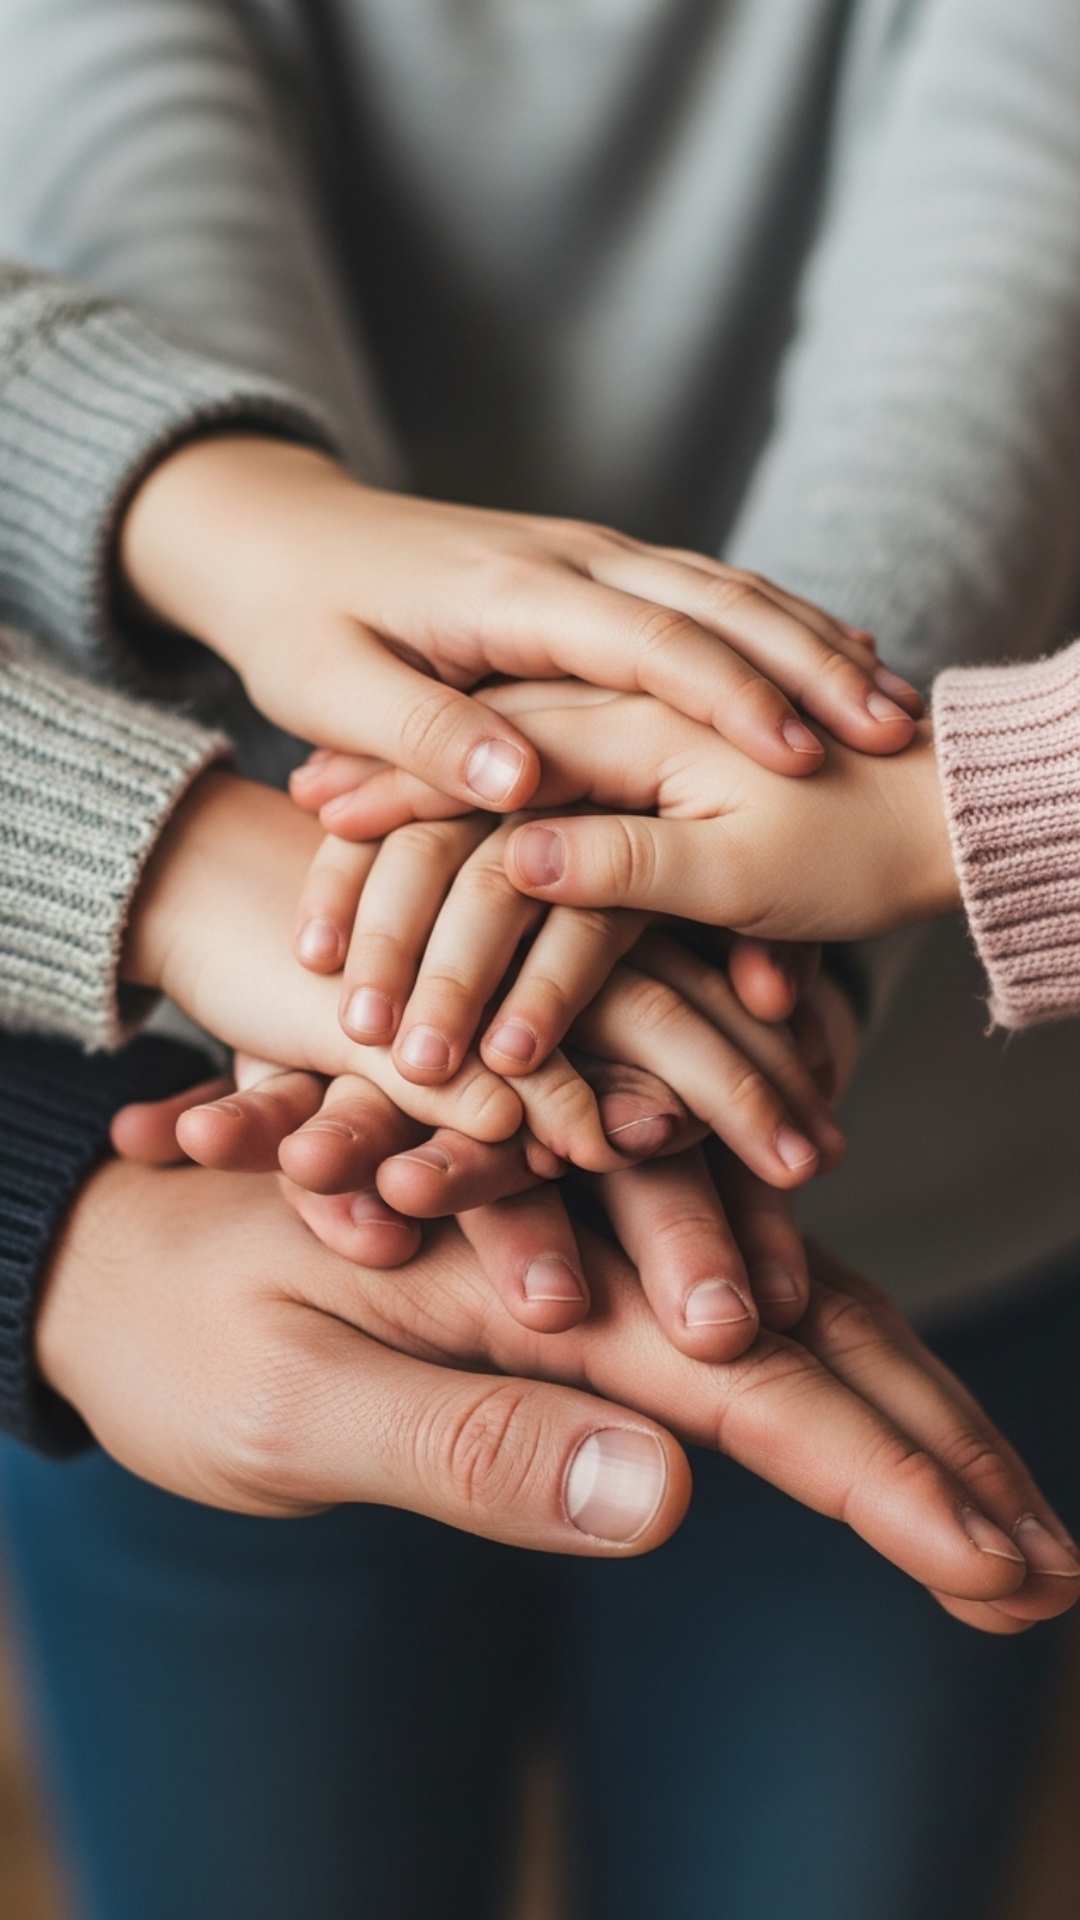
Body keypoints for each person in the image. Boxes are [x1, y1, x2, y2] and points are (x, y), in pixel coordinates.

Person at [1, 2, 1080, 1915]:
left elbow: (1022, 210)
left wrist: (727, 882)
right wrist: (385, 938)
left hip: (875, 1179)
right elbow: (111, 111)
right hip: (240, 1163)